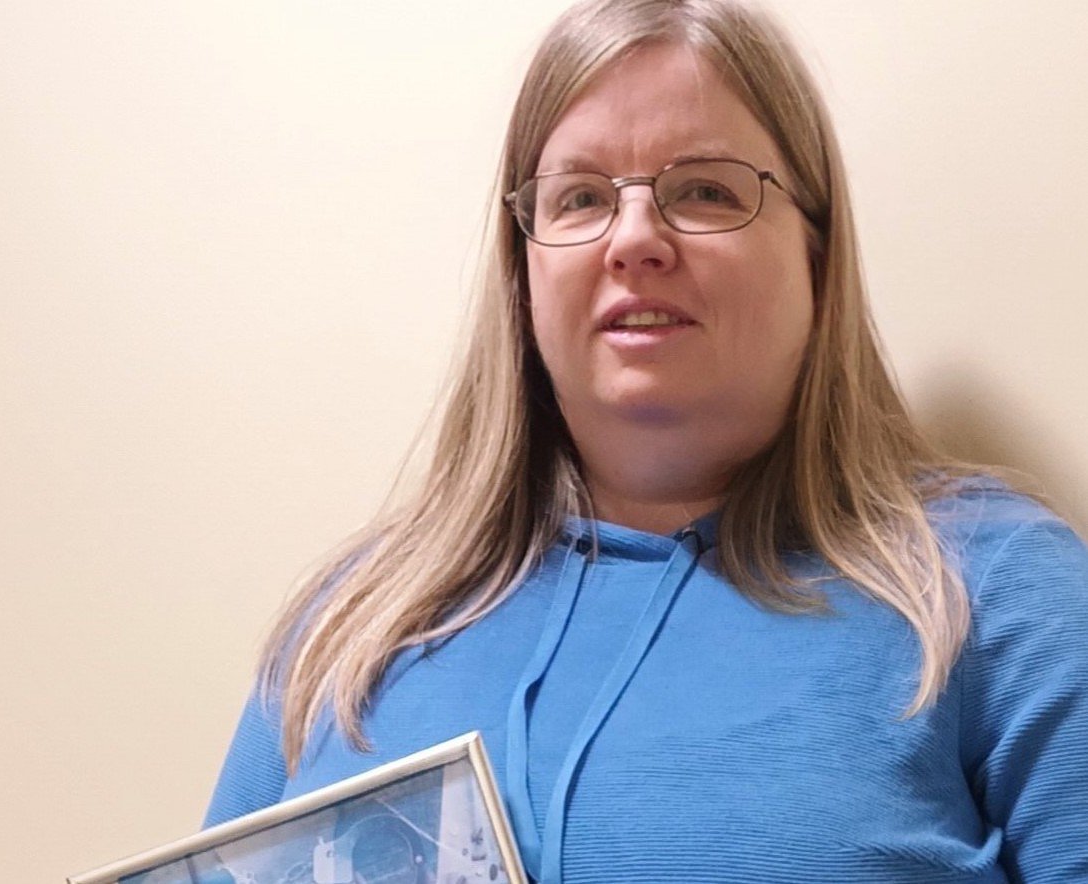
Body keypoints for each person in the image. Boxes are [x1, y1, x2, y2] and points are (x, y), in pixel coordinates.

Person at [204, 1, 1088, 881]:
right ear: (522, 273)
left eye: (705, 190)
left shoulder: (995, 593)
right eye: (582, 197)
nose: (633, 241)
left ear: (818, 257)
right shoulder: (353, 626)